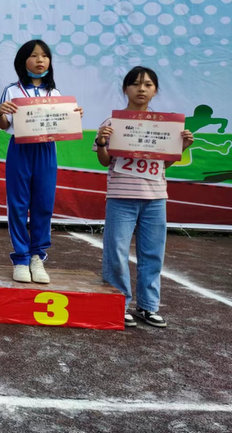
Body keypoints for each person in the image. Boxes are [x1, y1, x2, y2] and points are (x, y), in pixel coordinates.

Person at [94, 66, 193, 328]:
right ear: (125, 88)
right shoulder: (112, 123)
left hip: (156, 197)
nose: (141, 89)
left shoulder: (166, 127)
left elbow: (163, 165)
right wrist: (102, 143)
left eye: (148, 84)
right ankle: (118, 303)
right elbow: (104, 161)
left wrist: (180, 147)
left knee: (152, 253)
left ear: (155, 90)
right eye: (135, 84)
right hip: (121, 196)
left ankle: (148, 306)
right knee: (116, 252)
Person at [0, 40, 82, 284]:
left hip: (46, 150)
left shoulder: (55, 94)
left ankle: (37, 257)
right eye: (34, 55)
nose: (40, 60)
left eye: (44, 56)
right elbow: (5, 125)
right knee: (18, 204)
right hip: (20, 149)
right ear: (23, 61)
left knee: (43, 203)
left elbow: (62, 125)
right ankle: (21, 258)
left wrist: (73, 116)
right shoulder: (12, 91)